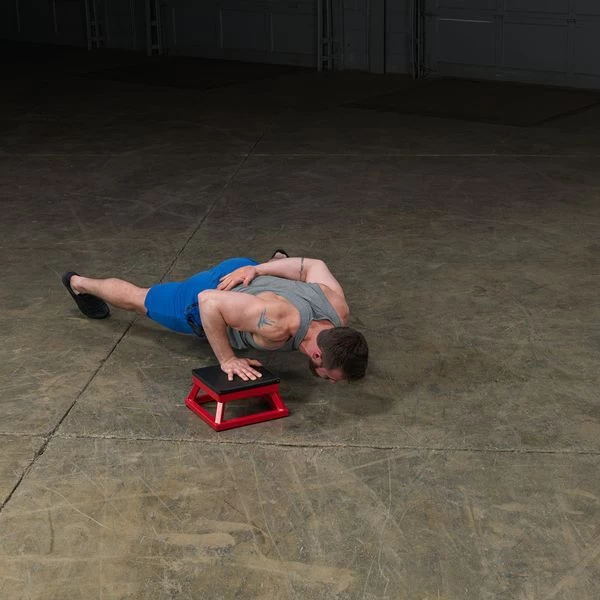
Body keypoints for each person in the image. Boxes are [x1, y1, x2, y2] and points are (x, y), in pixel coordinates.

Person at [62, 250, 368, 383]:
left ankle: (274, 261)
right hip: (213, 290)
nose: (331, 381)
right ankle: (78, 283)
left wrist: (256, 268)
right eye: (331, 377)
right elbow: (209, 302)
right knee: (139, 300)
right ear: (316, 354)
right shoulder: (276, 323)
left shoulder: (337, 309)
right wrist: (227, 359)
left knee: (282, 276)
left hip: (249, 273)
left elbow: (312, 266)